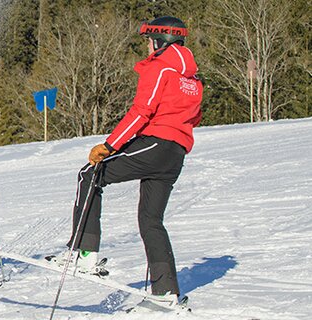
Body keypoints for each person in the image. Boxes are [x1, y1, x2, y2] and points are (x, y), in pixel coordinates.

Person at [52, 16, 202, 309]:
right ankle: (165, 293)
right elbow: (193, 117)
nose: (147, 46)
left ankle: (84, 252)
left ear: (160, 41)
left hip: (157, 143)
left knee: (89, 173)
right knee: (150, 220)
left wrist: (109, 146)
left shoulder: (160, 66)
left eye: (149, 40)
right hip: (175, 154)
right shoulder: (193, 79)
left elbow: (141, 112)